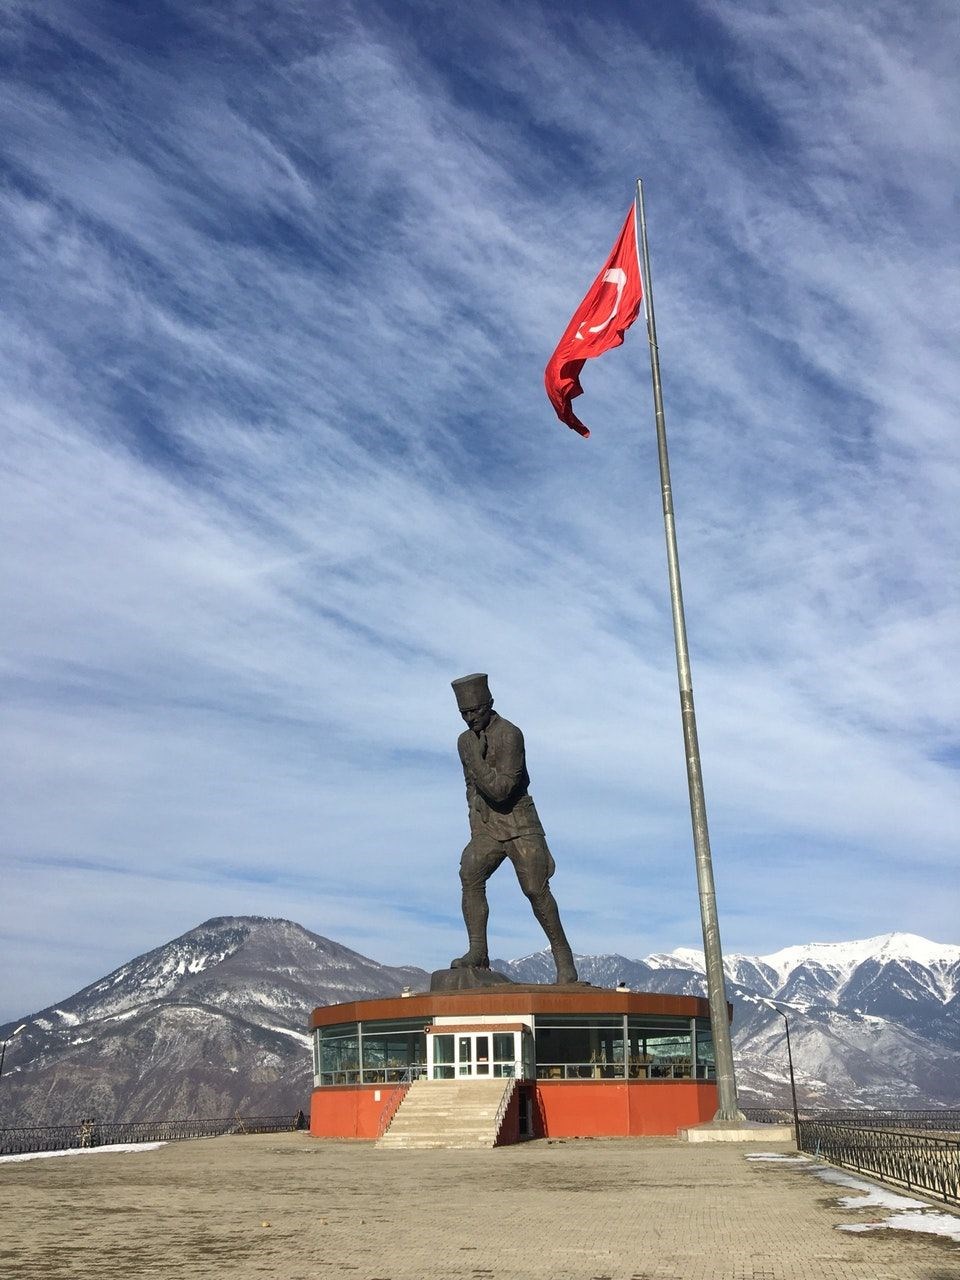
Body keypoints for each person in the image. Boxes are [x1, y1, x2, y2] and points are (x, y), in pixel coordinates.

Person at [450, 673, 578, 984]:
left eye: (475, 712)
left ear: (489, 705)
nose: (470, 720)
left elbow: (501, 790)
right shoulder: (465, 741)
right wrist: (477, 829)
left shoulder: (509, 735)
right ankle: (478, 951)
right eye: (464, 714)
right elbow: (472, 790)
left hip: (521, 823)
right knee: (470, 870)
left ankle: (564, 959)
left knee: (535, 889)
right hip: (488, 827)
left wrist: (476, 760)